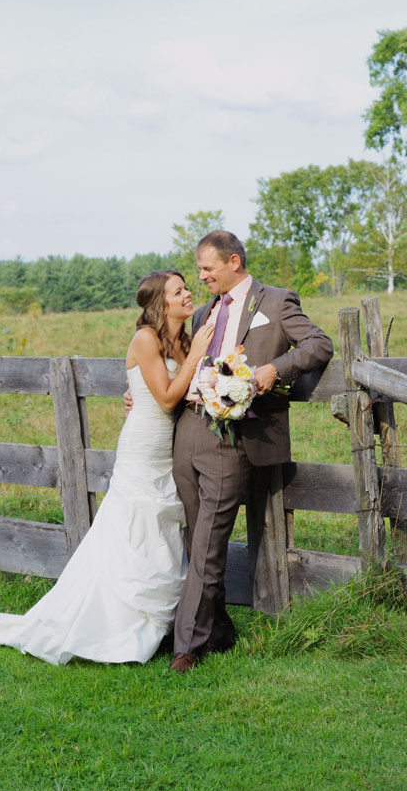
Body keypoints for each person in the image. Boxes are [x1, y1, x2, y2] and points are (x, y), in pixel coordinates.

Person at [0, 271, 213, 665]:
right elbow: (163, 399)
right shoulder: (145, 339)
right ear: (161, 302)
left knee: (162, 530)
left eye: (186, 288)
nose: (188, 293)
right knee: (135, 526)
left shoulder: (183, 341)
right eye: (179, 290)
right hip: (144, 446)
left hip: (171, 448)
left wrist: (195, 361)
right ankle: (115, 625)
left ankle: (155, 624)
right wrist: (193, 361)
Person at [167, 230, 334, 673]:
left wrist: (273, 369)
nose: (200, 276)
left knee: (207, 541)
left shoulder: (276, 302)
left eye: (207, 268)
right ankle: (217, 629)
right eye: (199, 269)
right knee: (192, 535)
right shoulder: (204, 312)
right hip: (188, 432)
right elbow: (181, 365)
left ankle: (186, 647)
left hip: (234, 438)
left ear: (234, 262)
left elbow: (319, 344)